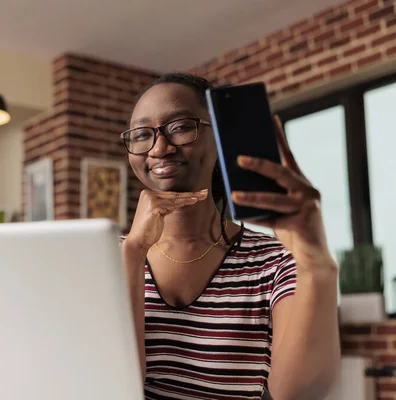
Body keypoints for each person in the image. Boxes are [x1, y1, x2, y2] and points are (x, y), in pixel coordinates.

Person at [121, 73, 340, 400]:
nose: (159, 147)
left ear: (219, 137)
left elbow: (297, 393)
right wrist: (133, 252)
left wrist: (317, 264)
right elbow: (111, 383)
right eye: (141, 134)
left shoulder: (275, 263)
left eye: (180, 127)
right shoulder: (111, 256)